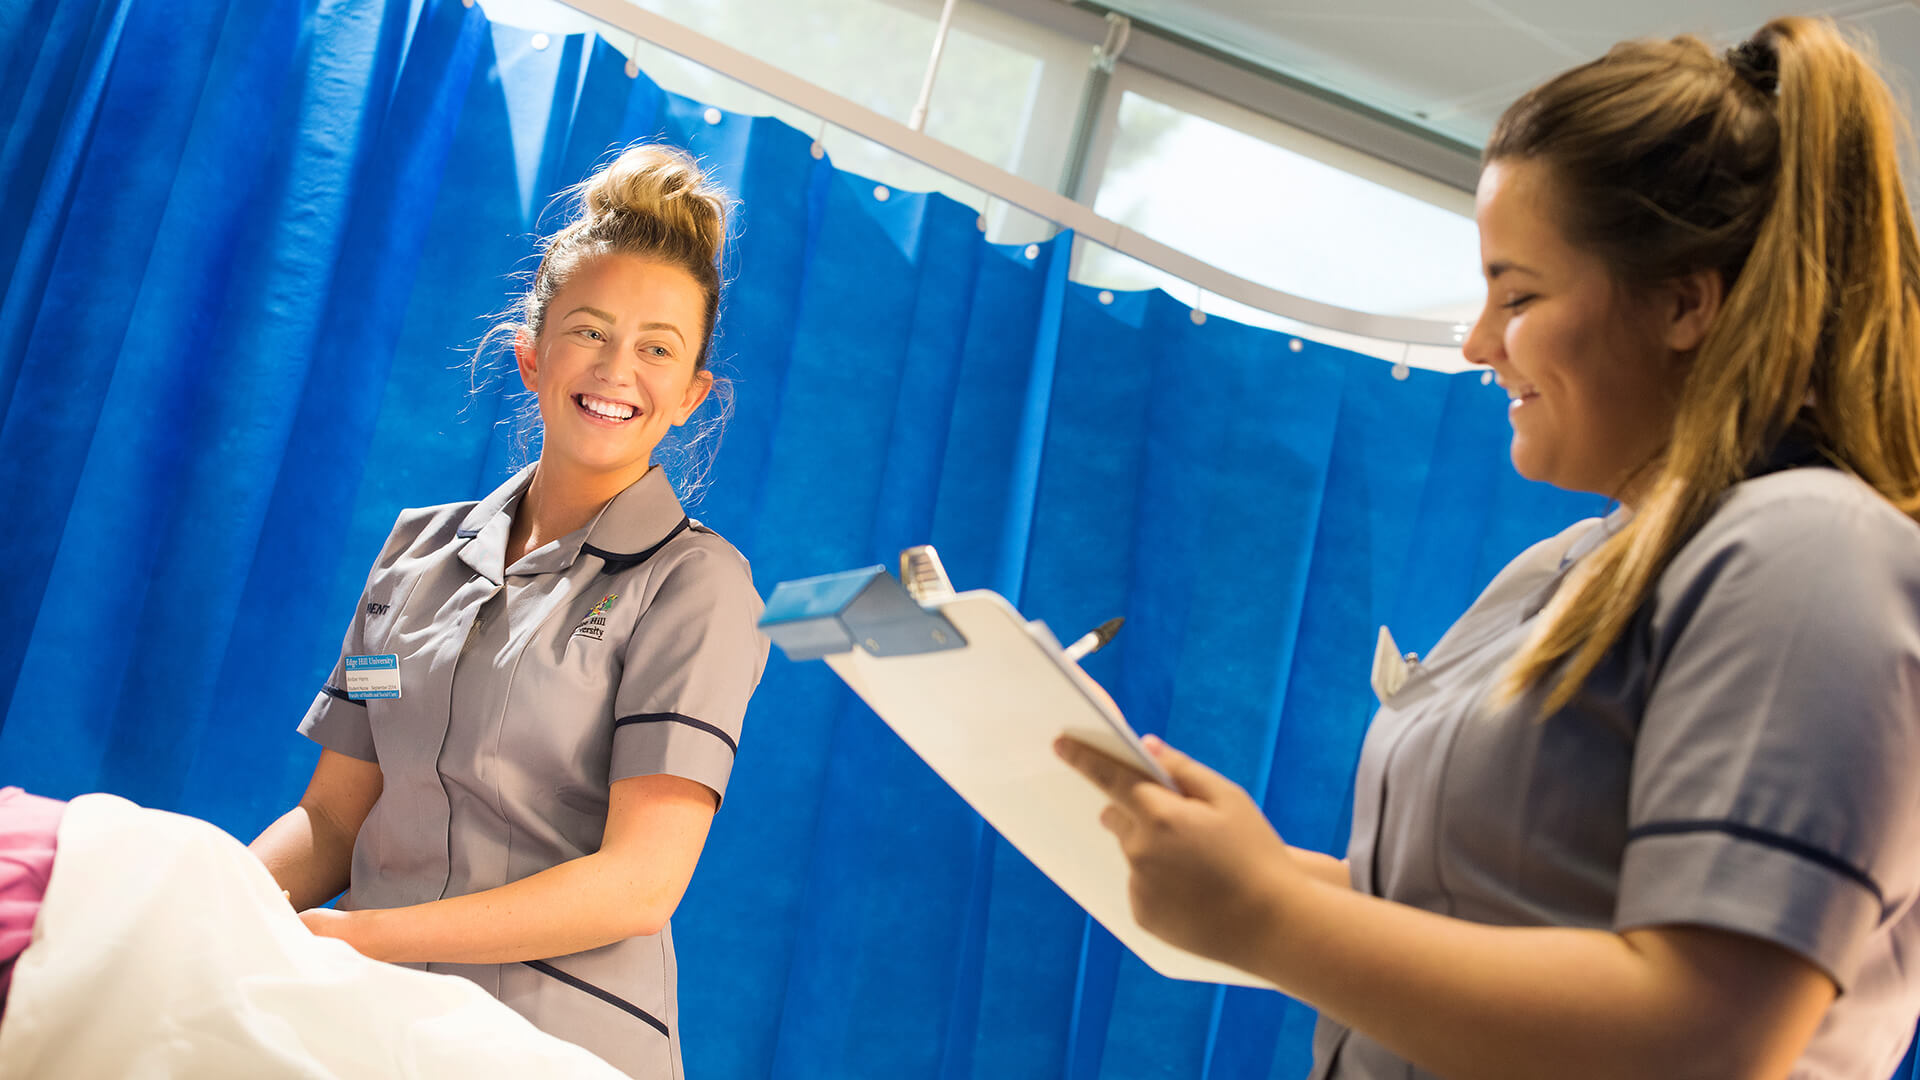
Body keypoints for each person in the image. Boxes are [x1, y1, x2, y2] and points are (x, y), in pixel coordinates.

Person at [1058, 16, 1920, 1079]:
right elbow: (1483, 917)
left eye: (1519, 296)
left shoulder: (1815, 550)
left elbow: (1714, 1030)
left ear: (1688, 303)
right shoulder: (1558, 570)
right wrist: (1247, 873)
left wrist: (1272, 917)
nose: (1476, 343)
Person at [249, 143, 768, 1079]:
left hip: (550, 1044)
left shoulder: (698, 585)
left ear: (693, 395)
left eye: (659, 347)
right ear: (530, 353)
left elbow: (639, 883)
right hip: (365, 1016)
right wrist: (213, 902)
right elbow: (332, 822)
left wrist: (365, 938)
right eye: (590, 331)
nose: (618, 369)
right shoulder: (416, 553)